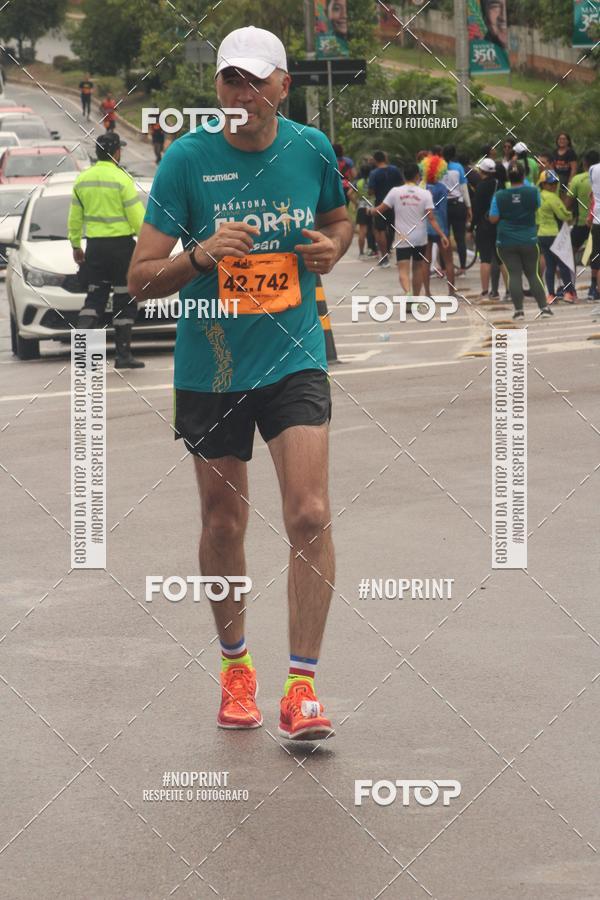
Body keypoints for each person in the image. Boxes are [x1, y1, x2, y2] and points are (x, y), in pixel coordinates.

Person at [127, 26, 353, 741]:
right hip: (214, 365)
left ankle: (302, 688)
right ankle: (236, 669)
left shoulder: (311, 149)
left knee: (309, 513)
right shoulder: (187, 161)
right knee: (223, 523)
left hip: (294, 356)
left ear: (284, 86)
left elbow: (339, 219)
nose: (242, 93)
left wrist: (333, 247)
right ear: (217, 87)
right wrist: (199, 256)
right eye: (231, 79)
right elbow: (139, 280)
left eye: (256, 80)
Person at [68, 132, 146, 367]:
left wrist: (75, 245)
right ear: (116, 153)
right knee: (124, 298)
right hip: (122, 248)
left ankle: (84, 356)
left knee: (95, 298)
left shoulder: (83, 180)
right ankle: (123, 356)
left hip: (95, 248)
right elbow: (137, 218)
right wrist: (146, 244)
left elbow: (74, 218)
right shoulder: (122, 179)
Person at [368, 161, 448, 294]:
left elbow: (380, 210)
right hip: (420, 238)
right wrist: (442, 235)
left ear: (404, 176)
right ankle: (415, 298)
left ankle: (407, 293)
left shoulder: (395, 192)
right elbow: (431, 219)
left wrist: (370, 211)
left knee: (403, 270)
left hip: (402, 238)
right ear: (417, 176)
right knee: (417, 268)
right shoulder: (425, 194)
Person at [488, 161, 552, 319]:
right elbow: (536, 207)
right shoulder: (533, 192)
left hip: (506, 241)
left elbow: (493, 219)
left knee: (514, 274)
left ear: (508, 177)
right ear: (524, 175)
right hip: (529, 238)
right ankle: (544, 308)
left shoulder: (499, 195)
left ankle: (519, 311)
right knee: (533, 274)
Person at [536, 169, 575, 303]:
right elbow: (563, 215)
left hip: (542, 235)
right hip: (555, 235)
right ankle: (568, 293)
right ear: (543, 184)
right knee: (563, 265)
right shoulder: (553, 198)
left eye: (555, 183)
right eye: (550, 183)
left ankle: (551, 295)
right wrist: (571, 215)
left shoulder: (537, 197)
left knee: (550, 266)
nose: (553, 186)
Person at [421, 154, 455, 295]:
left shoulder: (422, 188)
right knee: (448, 261)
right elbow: (443, 210)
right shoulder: (442, 188)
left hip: (425, 227)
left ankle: (427, 293)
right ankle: (451, 292)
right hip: (441, 226)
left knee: (426, 260)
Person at [570, 150, 600, 300]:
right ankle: (594, 288)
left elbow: (591, 197)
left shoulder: (582, 176)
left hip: (587, 222)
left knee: (572, 251)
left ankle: (572, 287)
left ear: (585, 163)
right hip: (593, 220)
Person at [471, 157, 502, 300]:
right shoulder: (499, 184)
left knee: (485, 258)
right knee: (501, 259)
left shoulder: (481, 186)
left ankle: (485, 291)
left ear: (481, 171)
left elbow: (476, 210)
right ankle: (508, 291)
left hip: (483, 225)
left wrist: (471, 227)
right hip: (499, 224)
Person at [368, 149, 403, 266]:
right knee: (392, 228)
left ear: (375, 160)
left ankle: (384, 257)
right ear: (385, 158)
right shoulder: (395, 170)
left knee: (380, 230)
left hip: (380, 204)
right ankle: (389, 249)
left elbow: (371, 191)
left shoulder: (374, 173)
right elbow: (402, 184)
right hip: (394, 204)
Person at [442, 144, 472, 275]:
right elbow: (464, 188)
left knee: (444, 237)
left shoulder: (438, 167)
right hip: (458, 205)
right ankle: (462, 267)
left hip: (443, 205)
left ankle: (444, 267)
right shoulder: (458, 167)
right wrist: (469, 207)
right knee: (460, 238)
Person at [354, 162, 376, 256]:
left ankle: (361, 252)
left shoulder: (358, 182)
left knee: (362, 231)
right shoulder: (373, 181)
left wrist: (356, 203)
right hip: (372, 207)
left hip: (361, 207)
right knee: (374, 229)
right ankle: (373, 249)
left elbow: (349, 193)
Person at [587, 153, 600, 300]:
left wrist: (590, 216)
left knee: (596, 253)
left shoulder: (592, 169)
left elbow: (593, 197)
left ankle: (593, 288)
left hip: (597, 220)